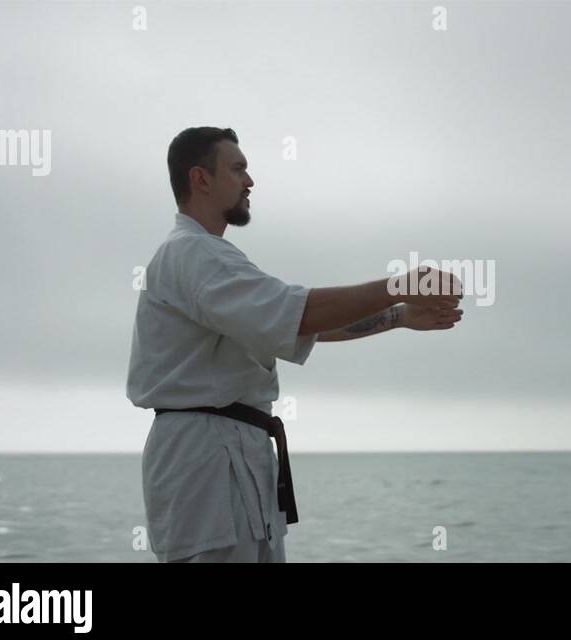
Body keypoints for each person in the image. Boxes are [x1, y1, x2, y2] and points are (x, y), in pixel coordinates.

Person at [125, 126, 462, 562]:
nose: (250, 181)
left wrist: (398, 315)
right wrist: (399, 285)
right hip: (206, 464)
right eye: (238, 168)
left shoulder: (209, 259)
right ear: (201, 179)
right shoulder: (193, 255)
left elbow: (299, 325)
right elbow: (298, 313)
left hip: (231, 458)